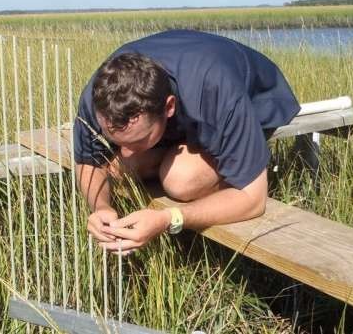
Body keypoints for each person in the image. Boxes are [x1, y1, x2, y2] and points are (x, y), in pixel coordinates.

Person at [73, 29, 300, 255]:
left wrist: (168, 219)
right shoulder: (101, 95)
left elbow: (253, 200)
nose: (125, 150)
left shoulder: (218, 92)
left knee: (181, 180)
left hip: (254, 98)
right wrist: (100, 207)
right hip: (190, 94)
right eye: (116, 141)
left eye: (139, 139)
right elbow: (88, 161)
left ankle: (235, 160)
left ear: (169, 107)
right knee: (117, 169)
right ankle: (168, 152)